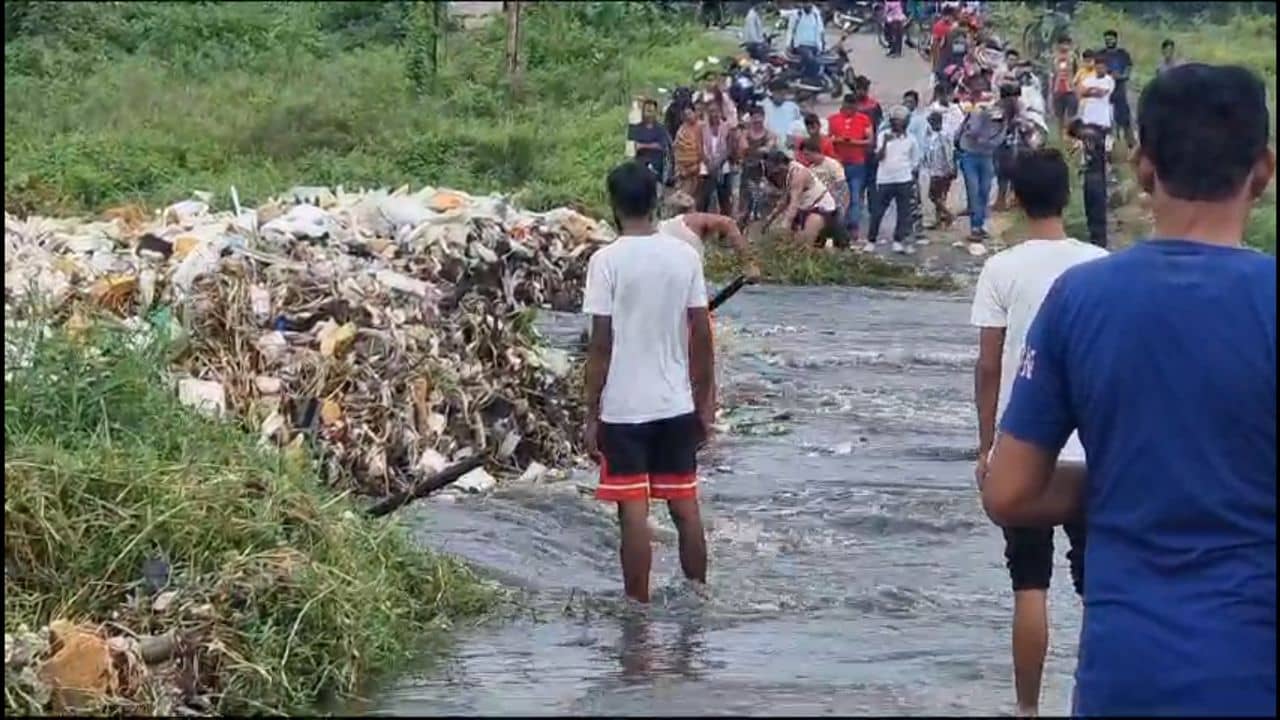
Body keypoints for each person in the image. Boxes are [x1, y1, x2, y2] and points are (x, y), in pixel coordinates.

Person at [985, 64, 1276, 716]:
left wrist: (1124, 477)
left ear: (1143, 168)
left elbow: (1009, 490)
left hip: (1127, 676)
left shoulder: (1081, 299)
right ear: (1264, 169)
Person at [970, 148, 1108, 718]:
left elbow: (988, 364)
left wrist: (986, 445)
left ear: (1017, 198)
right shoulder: (1101, 264)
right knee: (1098, 587)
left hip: (1024, 447)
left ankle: (1027, 710)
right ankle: (1092, 700)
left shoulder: (1002, 268)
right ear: (1067, 196)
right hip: (1092, 449)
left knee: (1029, 585)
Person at [583, 161, 715, 605]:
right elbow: (701, 334)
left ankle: (637, 612)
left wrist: (590, 414)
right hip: (675, 403)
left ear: (614, 206)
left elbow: (600, 344)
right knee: (684, 506)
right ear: (656, 201)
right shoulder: (685, 256)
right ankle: (698, 597)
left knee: (633, 513)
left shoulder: (605, 262)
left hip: (623, 408)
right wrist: (706, 403)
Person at [659, 191, 761, 281]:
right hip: (687, 280)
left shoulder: (659, 227)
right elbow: (728, 223)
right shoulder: (694, 219)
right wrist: (749, 265)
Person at [864, 106, 919, 255]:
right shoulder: (883, 135)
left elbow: (914, 162)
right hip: (884, 180)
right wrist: (885, 144)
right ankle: (871, 240)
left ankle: (898, 241)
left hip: (904, 179)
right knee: (877, 212)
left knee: (903, 212)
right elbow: (878, 158)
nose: (897, 124)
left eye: (901, 121)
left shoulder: (911, 139)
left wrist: (911, 180)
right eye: (895, 121)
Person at [761, 149, 843, 248]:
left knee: (804, 245)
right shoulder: (785, 175)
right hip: (804, 207)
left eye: (776, 172)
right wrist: (769, 220)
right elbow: (784, 200)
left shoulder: (798, 174)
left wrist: (786, 223)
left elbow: (793, 203)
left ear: (782, 165)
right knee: (789, 243)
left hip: (821, 207)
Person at [956, 100, 1004, 251]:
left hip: (986, 156)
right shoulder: (976, 117)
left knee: (984, 190)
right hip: (970, 155)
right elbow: (969, 132)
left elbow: (999, 138)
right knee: (974, 190)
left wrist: (986, 141)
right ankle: (975, 226)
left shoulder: (1001, 123)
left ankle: (980, 224)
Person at [828, 93, 875, 238]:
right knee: (837, 197)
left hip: (857, 164)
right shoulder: (832, 119)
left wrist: (851, 142)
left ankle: (853, 226)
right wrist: (839, 141)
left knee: (855, 196)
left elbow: (870, 141)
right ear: (843, 105)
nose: (851, 109)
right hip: (838, 164)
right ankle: (838, 226)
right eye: (848, 106)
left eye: (853, 106)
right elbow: (827, 139)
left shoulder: (864, 119)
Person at [1067, 118, 1109, 248]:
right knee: (1099, 211)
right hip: (1100, 175)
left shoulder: (1085, 138)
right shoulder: (1095, 132)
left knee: (1093, 211)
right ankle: (1101, 240)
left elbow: (1077, 158)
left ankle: (1097, 241)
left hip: (1091, 176)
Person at [799, 137, 850, 233]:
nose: (806, 158)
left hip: (835, 203)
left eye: (807, 155)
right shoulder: (811, 169)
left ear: (815, 152)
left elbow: (843, 187)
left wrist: (842, 207)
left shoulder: (832, 165)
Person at [737, 112, 777, 223]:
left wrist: (766, 148)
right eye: (755, 122)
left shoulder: (769, 134)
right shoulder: (745, 134)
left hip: (763, 170)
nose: (757, 124)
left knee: (762, 197)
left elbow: (770, 145)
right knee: (745, 199)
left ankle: (761, 219)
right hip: (748, 169)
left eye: (759, 122)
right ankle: (743, 220)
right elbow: (742, 148)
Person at [1098, 30, 1134, 150]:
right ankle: (1105, 147)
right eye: (1107, 39)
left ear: (1116, 39)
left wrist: (1122, 76)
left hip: (1119, 89)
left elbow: (1129, 69)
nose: (1109, 41)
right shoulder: (1101, 54)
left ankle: (1131, 146)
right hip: (1105, 90)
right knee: (1104, 120)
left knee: (1124, 119)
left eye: (1111, 39)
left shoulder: (1123, 54)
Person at [698, 102, 735, 215]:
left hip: (723, 167)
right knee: (704, 199)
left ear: (720, 113)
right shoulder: (702, 127)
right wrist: (708, 163)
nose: (713, 114)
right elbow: (699, 147)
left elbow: (729, 148)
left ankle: (725, 227)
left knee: (724, 200)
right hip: (706, 167)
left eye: (716, 111)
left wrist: (718, 163)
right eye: (711, 111)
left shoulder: (726, 127)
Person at [922, 110, 957, 229]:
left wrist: (951, 168)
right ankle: (939, 220)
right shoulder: (932, 136)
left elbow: (948, 153)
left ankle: (948, 214)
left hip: (942, 171)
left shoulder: (943, 136)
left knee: (933, 196)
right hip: (935, 170)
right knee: (939, 196)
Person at [628, 99, 672, 187]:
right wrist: (652, 145)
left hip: (656, 170)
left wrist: (642, 145)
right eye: (647, 111)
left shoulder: (661, 129)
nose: (649, 114)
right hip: (639, 169)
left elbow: (663, 146)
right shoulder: (636, 129)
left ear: (655, 112)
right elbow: (631, 149)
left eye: (651, 111)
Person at [1076, 53, 1114, 142]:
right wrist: (1093, 90)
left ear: (1106, 68)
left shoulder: (1109, 80)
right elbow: (1081, 92)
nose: (1099, 70)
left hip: (1102, 117)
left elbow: (1101, 93)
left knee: (1101, 141)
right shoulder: (1088, 80)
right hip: (1089, 116)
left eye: (1102, 68)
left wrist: (1089, 90)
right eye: (1098, 68)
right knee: (1088, 140)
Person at [1049, 36, 1079, 140]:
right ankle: (1060, 137)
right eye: (1062, 43)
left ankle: (1070, 136)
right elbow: (1052, 74)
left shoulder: (1073, 57)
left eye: (1066, 44)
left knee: (1071, 115)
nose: (1064, 46)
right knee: (1059, 116)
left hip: (1070, 89)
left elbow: (1077, 72)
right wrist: (1051, 91)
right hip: (1058, 90)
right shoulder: (1054, 58)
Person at [673, 106, 704, 199]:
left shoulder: (702, 126)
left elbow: (704, 146)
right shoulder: (682, 130)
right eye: (686, 115)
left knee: (698, 198)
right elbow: (678, 148)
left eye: (690, 113)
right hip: (684, 170)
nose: (689, 116)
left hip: (699, 169)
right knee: (684, 197)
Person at [762, 83, 803, 151]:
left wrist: (792, 138)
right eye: (778, 93)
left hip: (788, 145)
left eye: (783, 94)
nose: (781, 96)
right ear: (772, 93)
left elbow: (798, 126)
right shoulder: (765, 106)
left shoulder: (792, 107)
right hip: (769, 143)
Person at [791, 3, 825, 84]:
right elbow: (791, 30)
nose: (807, 5)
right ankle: (808, 79)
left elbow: (820, 31)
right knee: (810, 58)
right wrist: (787, 45)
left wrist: (822, 44)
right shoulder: (797, 14)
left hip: (814, 45)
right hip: (801, 45)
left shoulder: (816, 15)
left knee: (822, 60)